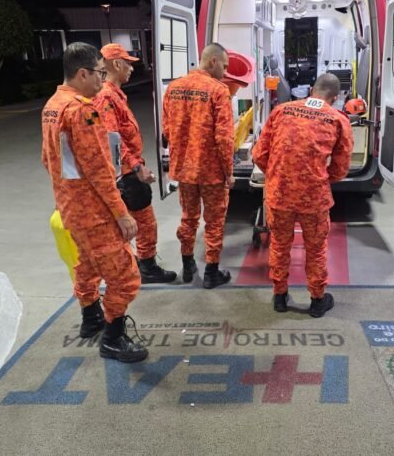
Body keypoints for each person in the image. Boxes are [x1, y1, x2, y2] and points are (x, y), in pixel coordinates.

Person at [41, 42, 148, 363]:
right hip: (94, 213)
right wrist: (121, 214)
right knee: (126, 278)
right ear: (82, 73)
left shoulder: (52, 106)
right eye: (100, 73)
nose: (103, 80)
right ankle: (113, 339)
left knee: (86, 265)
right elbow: (100, 170)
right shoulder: (81, 110)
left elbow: (48, 160)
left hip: (71, 208)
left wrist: (66, 195)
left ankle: (91, 318)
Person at [252, 73, 354, 318]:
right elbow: (341, 168)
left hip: (279, 195)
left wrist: (277, 175)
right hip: (314, 198)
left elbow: (259, 154)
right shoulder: (338, 120)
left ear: (311, 90)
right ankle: (317, 301)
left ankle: (279, 296)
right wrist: (319, 179)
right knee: (316, 249)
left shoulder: (281, 111)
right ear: (336, 98)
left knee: (279, 245)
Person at [95, 43, 177, 284]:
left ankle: (135, 265)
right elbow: (113, 140)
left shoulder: (114, 95)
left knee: (135, 223)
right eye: (128, 64)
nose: (131, 69)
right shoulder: (107, 97)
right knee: (144, 223)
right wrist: (137, 167)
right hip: (126, 174)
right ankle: (145, 267)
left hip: (127, 171)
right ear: (116, 64)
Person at [162, 43, 235, 289]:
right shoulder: (218, 90)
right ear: (213, 61)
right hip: (211, 171)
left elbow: (167, 130)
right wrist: (228, 172)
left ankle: (188, 265)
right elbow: (224, 137)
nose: (225, 72)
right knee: (214, 221)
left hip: (184, 169)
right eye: (224, 65)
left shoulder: (173, 88)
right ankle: (212, 273)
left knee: (188, 217)